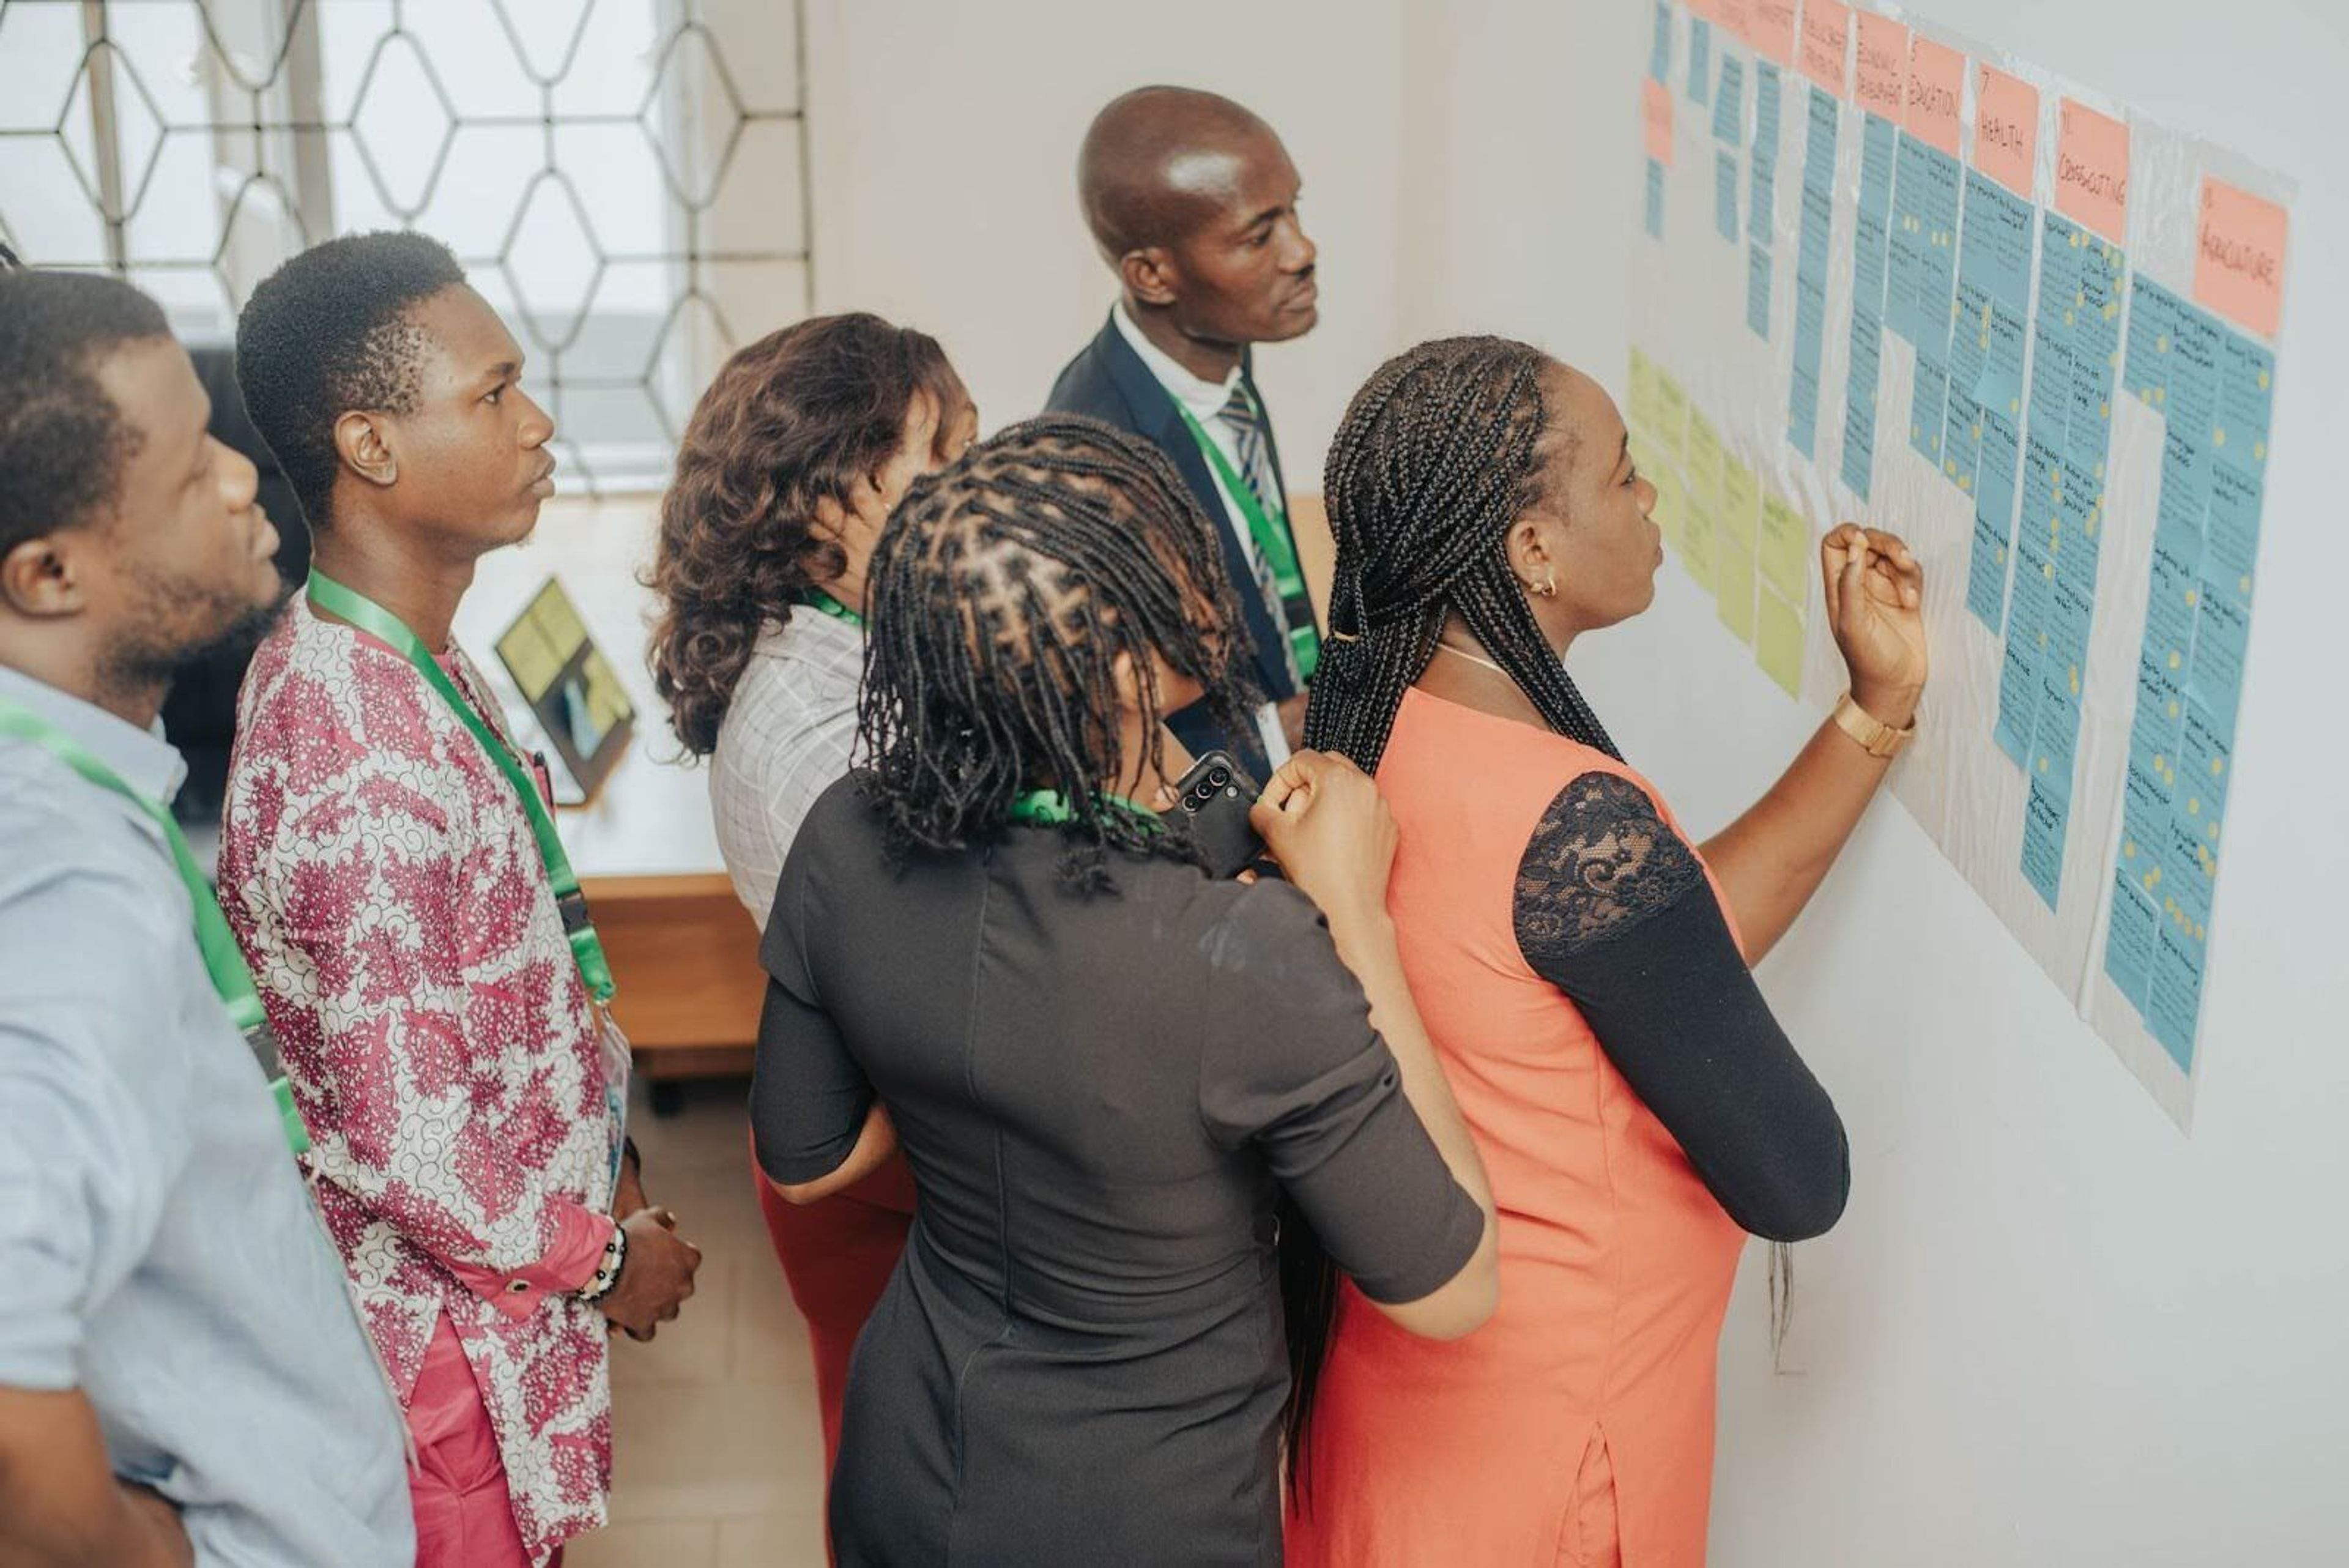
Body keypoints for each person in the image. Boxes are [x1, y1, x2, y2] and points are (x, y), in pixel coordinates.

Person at [751, 415, 1500, 1565]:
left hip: (911, 1456)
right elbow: (1448, 1285)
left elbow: (808, 1158)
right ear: (1126, 668)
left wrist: (981, 1055)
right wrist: (1350, 908)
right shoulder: (1240, 951)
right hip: (1140, 1506)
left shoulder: (844, 833)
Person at [1283, 337, 1928, 1567]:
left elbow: (1650, 954)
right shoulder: (1572, 823)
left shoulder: (1356, 726)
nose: (1648, 506)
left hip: (1392, 1410)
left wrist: (1872, 709)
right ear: (1534, 551)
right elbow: (1799, 1179)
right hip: (1551, 1453)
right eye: (1626, 479)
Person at [218, 232, 703, 1568]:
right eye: (493, 395)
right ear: (371, 445)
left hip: (496, 1305)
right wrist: (608, 1260)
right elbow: (408, 1145)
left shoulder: (415, 659)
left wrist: (606, 1171)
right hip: (437, 1360)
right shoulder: (350, 753)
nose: (538, 423)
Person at [0, 269, 413, 1565]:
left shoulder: (74, 794)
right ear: (50, 573)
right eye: (190, 475)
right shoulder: (73, 893)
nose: (244, 480)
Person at [645, 312, 976, 1482]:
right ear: (829, 502)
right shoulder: (811, 723)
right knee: (915, 1468)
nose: (973, 486)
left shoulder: (880, 638)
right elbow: (930, 993)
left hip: (893, 1130)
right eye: (941, 460)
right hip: (879, 1159)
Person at [1045, 86, 1323, 778]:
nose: (1302, 250)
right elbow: (1114, 718)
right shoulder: (1095, 453)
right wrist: (1271, 740)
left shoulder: (1220, 342)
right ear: (1152, 275)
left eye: (1294, 210)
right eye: (1259, 236)